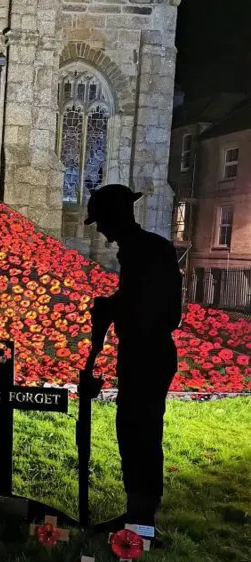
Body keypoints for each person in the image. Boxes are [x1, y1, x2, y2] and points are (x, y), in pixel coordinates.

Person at [80, 184, 182, 529]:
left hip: (148, 354)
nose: (101, 231)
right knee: (134, 431)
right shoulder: (141, 250)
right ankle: (137, 513)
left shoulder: (146, 251)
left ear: (115, 216)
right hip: (141, 352)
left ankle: (142, 521)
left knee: (141, 434)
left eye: (102, 222)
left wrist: (114, 307)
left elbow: (156, 311)